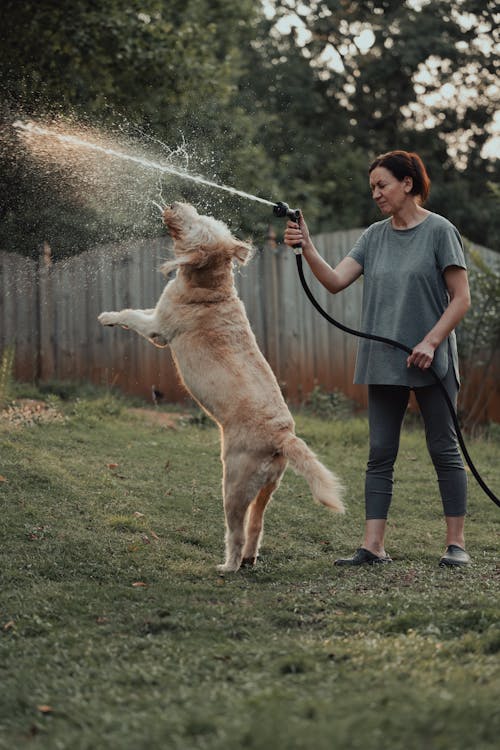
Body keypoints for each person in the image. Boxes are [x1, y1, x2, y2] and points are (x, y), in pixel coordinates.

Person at [284, 150, 472, 567]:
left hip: (431, 358)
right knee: (380, 452)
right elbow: (334, 281)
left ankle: (456, 545)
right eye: (372, 187)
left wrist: (431, 342)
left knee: (444, 449)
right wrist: (308, 246)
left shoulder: (440, 231)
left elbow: (461, 299)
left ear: (408, 184)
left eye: (382, 185)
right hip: (383, 359)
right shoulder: (373, 236)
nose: (376, 194)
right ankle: (373, 546)